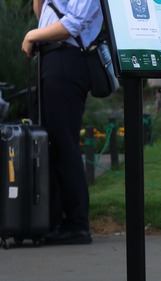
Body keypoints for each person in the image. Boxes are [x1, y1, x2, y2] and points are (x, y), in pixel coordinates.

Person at [21, 0, 101, 245]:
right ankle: (52, 219)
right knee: (50, 144)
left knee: (63, 143)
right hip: (51, 58)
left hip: (68, 59)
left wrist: (31, 35)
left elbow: (72, 24)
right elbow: (44, 14)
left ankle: (76, 223)